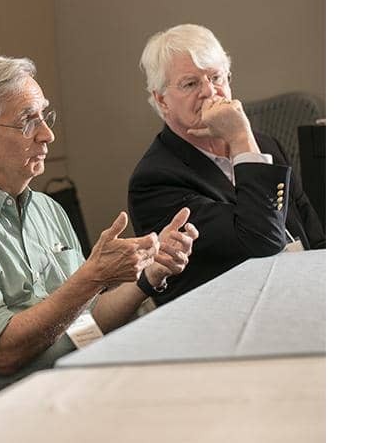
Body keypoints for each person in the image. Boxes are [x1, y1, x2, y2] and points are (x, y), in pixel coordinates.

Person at [0, 54, 199, 385]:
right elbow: (3, 354)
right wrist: (92, 277)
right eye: (28, 121)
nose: (47, 135)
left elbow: (87, 320)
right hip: (12, 411)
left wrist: (150, 273)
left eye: (45, 117)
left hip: (84, 379)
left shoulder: (46, 208)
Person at [128, 24, 325, 306]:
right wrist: (240, 137)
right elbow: (262, 242)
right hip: (232, 319)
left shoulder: (265, 146)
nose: (210, 92)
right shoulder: (155, 180)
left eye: (216, 77)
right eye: (190, 83)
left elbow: (316, 238)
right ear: (162, 100)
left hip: (302, 297)